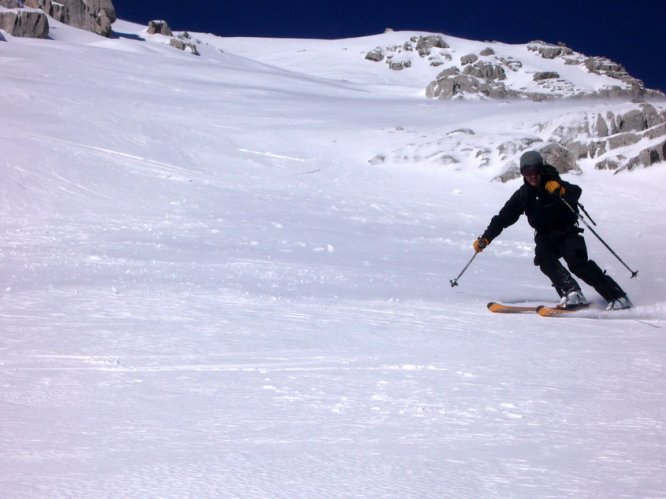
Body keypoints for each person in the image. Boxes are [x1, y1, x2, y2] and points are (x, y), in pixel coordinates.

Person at [473, 150, 631, 310]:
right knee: (543, 257)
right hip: (545, 236)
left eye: (535, 171)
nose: (532, 176)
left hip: (568, 232)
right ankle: (572, 292)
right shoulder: (523, 195)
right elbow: (502, 218)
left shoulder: (553, 184)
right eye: (527, 172)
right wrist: (486, 238)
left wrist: (561, 189)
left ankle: (618, 297)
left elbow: (576, 191)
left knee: (577, 263)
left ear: (541, 169)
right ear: (522, 173)